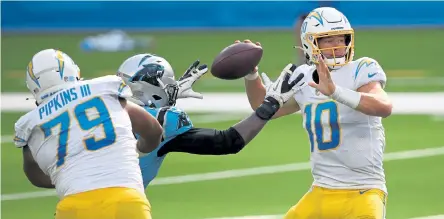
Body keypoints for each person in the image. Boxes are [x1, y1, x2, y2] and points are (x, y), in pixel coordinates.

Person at [243, 7, 393, 219]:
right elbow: (262, 106)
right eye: (328, 40)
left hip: (363, 190)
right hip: (320, 191)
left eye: (341, 38)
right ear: (310, 43)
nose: (338, 45)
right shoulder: (303, 76)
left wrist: (336, 92)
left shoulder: (362, 68)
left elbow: (383, 106)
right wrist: (251, 74)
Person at [13, 49, 163, 219]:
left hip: (72, 208)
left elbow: (35, 177)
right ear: (72, 71)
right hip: (125, 200)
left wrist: (69, 177)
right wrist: (139, 151)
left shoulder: (30, 124)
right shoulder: (103, 90)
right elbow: (153, 130)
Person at [116, 53, 306, 187]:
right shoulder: (164, 121)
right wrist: (269, 106)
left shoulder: (98, 104)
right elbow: (226, 142)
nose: (173, 86)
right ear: (152, 87)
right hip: (120, 203)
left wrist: (166, 97)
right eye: (169, 83)